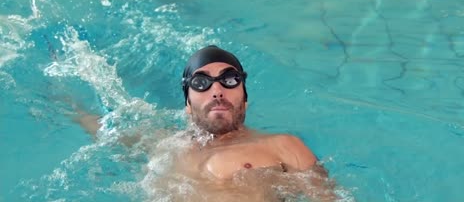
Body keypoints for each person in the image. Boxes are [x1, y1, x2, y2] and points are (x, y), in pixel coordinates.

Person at [77, 45, 336, 201]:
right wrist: (64, 100)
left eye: (230, 79)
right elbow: (103, 127)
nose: (217, 91)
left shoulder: (282, 146)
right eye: (201, 82)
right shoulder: (159, 144)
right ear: (187, 105)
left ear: (245, 100)